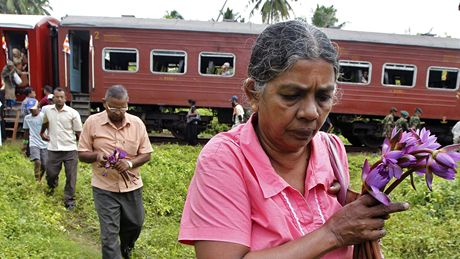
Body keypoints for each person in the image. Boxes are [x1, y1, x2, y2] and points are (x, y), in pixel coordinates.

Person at [178, 20, 408, 258]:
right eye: (291, 95)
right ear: (253, 94)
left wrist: (354, 204)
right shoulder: (226, 159)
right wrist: (334, 233)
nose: (310, 112)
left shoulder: (331, 149)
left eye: (323, 97)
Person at [78, 85, 152, 259]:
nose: (118, 112)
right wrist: (97, 156)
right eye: (114, 107)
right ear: (104, 103)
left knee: (135, 224)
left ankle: (126, 248)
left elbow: (147, 154)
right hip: (104, 188)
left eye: (123, 107)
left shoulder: (137, 123)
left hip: (132, 186)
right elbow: (81, 154)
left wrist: (129, 163)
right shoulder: (92, 122)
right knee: (109, 235)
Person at [40, 87, 83, 210]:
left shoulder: (73, 113)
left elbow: (79, 132)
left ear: (65, 98)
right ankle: (51, 188)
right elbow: (45, 123)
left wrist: (82, 147)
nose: (59, 99)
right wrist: (42, 133)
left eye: (61, 97)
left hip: (70, 149)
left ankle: (69, 200)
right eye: (57, 97)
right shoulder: (48, 111)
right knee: (51, 174)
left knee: (71, 176)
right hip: (53, 148)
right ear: (53, 98)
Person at [23, 99, 48, 182]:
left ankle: (40, 178)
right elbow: (26, 132)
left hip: (44, 143)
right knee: (37, 162)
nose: (32, 110)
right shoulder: (27, 118)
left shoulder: (43, 116)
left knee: (44, 165)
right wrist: (24, 144)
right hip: (33, 143)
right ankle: (37, 180)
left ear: (38, 107)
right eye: (30, 109)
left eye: (33, 108)